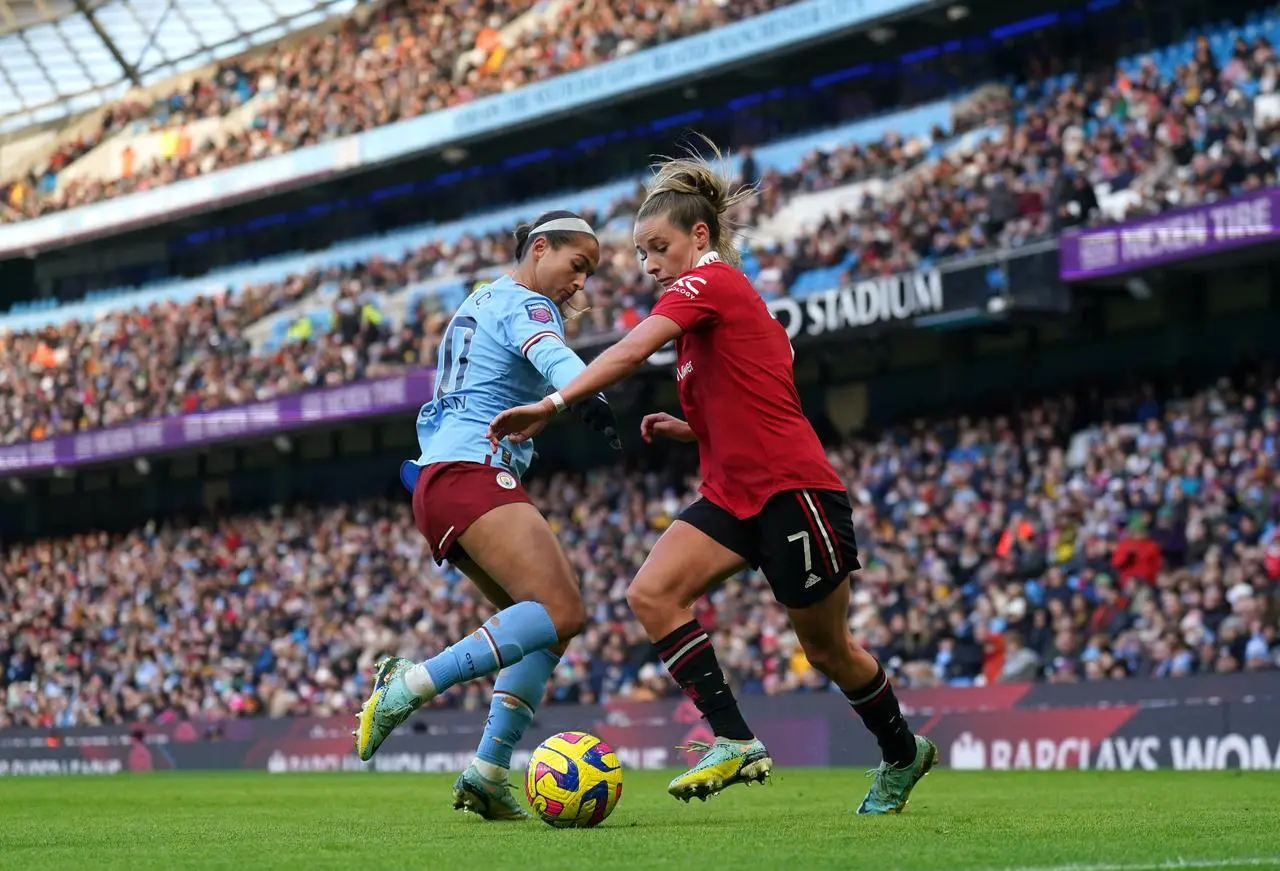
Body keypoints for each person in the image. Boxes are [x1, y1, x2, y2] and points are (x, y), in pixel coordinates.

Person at [488, 145, 938, 814]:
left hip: (792, 491)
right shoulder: (709, 315)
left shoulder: (712, 282)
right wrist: (688, 428)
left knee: (829, 650)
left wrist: (554, 403)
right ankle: (733, 738)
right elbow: (749, 400)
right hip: (732, 494)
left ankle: (903, 751)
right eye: (640, 253)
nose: (648, 264)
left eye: (657, 246)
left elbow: (633, 347)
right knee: (651, 593)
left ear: (699, 235)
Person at [353, 209, 621, 821]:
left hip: (440, 479)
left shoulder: (479, 301)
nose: (579, 283)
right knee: (562, 610)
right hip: (474, 470)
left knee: (545, 628)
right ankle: (409, 686)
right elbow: (553, 357)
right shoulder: (527, 303)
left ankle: (488, 771)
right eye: (576, 266)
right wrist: (588, 397)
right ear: (540, 248)